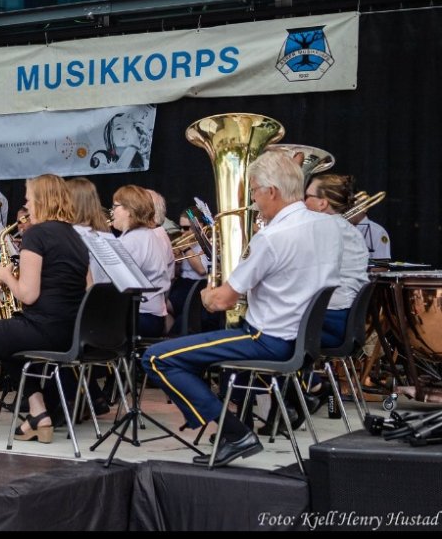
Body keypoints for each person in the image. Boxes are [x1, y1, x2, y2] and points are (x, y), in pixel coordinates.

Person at [143, 150, 343, 467]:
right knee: (194, 353)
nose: (252, 198)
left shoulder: (272, 237)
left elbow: (223, 300)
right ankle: (230, 424)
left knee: (156, 358)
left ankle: (233, 433)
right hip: (305, 341)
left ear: (272, 192)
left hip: (267, 339)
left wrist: (208, 294)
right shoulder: (331, 226)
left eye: (253, 190)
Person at [0, 175, 90, 443]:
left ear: (42, 200)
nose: (26, 204)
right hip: (71, 332)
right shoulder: (76, 237)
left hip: (42, 329)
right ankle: (38, 415)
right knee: (6, 341)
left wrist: (5, 275)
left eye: (29, 198)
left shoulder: (36, 234)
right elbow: (88, 289)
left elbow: (28, 294)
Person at [304, 174, 370, 348]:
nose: (303, 202)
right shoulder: (350, 229)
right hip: (344, 321)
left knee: (265, 330)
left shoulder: (322, 228)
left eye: (307, 197)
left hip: (328, 322)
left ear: (322, 203)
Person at [109, 185, 173, 338]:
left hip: (140, 317)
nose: (112, 212)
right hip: (154, 317)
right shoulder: (151, 235)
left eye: (115, 206)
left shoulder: (131, 241)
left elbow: (111, 283)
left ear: (129, 210)